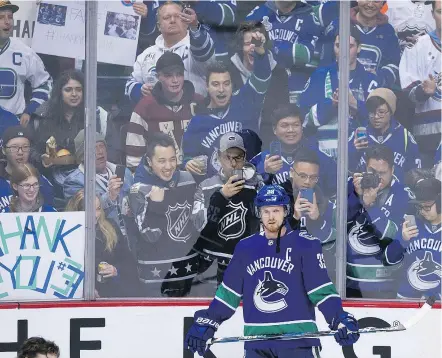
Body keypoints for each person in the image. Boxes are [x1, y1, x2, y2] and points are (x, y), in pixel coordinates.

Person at [185, 184, 360, 357]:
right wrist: (208, 322)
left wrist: (340, 319)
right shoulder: (246, 248)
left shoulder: (306, 245)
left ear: (285, 211)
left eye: (276, 211)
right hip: (257, 344)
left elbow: (322, 291)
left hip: (299, 343)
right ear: (258, 213)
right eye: (266, 211)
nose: (270, 217)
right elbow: (228, 294)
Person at [183, 37, 271, 180]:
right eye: (215, 84)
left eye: (226, 83)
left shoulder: (244, 103)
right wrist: (187, 163)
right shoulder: (197, 122)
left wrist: (261, 54)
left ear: (232, 85)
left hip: (250, 182)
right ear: (207, 86)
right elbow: (188, 156)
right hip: (217, 190)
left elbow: (262, 78)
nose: (221, 90)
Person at [126, 133, 199, 297]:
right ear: (150, 162)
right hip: (155, 279)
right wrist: (156, 205)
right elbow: (149, 235)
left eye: (172, 159)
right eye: (162, 161)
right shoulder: (139, 190)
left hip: (187, 274)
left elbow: (195, 226)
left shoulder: (187, 179)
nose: (168, 166)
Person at [192, 132, 263, 285]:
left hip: (249, 265)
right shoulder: (206, 187)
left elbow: (267, 224)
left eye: (237, 157)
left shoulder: (257, 184)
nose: (232, 163)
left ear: (244, 157)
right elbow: (199, 226)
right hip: (215, 266)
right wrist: (221, 196)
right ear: (218, 156)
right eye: (227, 157)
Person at [300, 27, 379, 160]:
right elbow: (303, 119)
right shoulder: (319, 76)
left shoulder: (370, 80)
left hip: (361, 158)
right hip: (323, 157)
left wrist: (354, 104)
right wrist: (331, 105)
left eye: (349, 46)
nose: (343, 51)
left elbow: (380, 121)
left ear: (359, 48)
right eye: (338, 46)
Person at [347, 144, 411, 298]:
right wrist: (355, 196)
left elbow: (389, 236)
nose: (378, 178)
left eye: (383, 173)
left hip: (386, 283)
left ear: (393, 170)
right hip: (350, 281)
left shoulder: (403, 195)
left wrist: (370, 206)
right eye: (372, 172)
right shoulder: (351, 185)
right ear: (365, 167)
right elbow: (340, 224)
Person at [33, 70, 107, 195]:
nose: (74, 94)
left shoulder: (98, 115)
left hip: (89, 180)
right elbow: (31, 149)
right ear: (59, 93)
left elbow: (109, 148)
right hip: (50, 180)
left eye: (78, 89)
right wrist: (41, 158)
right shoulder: (42, 116)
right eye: (68, 90)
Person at [125, 52, 204, 169]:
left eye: (179, 74)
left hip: (198, 175)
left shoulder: (199, 103)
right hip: (158, 181)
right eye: (168, 76)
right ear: (158, 77)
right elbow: (134, 161)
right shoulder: (144, 108)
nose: (175, 80)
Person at [125, 1, 215, 101]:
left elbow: (203, 52)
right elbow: (129, 85)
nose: (172, 20)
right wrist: (141, 90)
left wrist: (195, 26)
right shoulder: (146, 54)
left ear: (186, 21)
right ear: (159, 26)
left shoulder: (196, 47)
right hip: (157, 114)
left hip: (193, 114)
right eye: (167, 17)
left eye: (177, 16)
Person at [251, 104, 337, 198]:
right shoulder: (261, 159)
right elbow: (249, 196)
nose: (291, 130)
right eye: (285, 125)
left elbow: (335, 193)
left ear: (302, 128)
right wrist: (266, 174)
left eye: (296, 125)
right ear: (274, 129)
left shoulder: (318, 157)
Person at [65, 190, 140, 298]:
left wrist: (116, 270)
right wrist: (82, 288)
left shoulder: (111, 227)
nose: (96, 215)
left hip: (113, 294)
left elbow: (128, 261)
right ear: (78, 211)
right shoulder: (68, 235)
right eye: (90, 211)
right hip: (80, 298)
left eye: (98, 209)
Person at [399, 0, 442, 168]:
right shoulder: (417, 47)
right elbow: (408, 95)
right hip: (428, 137)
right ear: (432, 15)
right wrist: (423, 92)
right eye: (440, 11)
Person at [64, 130, 133, 232]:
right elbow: (83, 214)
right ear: (83, 156)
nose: (100, 151)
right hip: (101, 238)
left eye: (101, 146)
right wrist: (110, 197)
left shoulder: (125, 172)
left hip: (131, 236)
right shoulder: (74, 182)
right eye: (93, 148)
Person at [322, 0, 401, 89]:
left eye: (376, 1)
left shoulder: (388, 32)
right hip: (337, 90)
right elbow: (324, 63)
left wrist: (379, 77)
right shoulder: (338, 24)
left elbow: (394, 65)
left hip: (371, 93)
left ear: (383, 3)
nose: (370, 4)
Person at [384, 178, 441, 299]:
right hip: (406, 301)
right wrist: (402, 240)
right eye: (419, 206)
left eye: (427, 206)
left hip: (437, 306)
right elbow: (388, 260)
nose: (422, 211)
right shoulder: (411, 226)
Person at [348, 88, 421, 183]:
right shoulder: (358, 136)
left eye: (381, 112)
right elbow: (346, 170)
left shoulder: (404, 136)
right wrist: (353, 151)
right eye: (371, 112)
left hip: (397, 192)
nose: (376, 117)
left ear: (391, 112)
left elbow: (415, 171)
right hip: (365, 191)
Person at [0, 1, 52, 127]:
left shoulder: (24, 52)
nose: (8, 22)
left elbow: (44, 84)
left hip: (12, 128)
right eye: (1, 17)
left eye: (10, 17)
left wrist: (30, 110)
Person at [0, 126, 54, 212]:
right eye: (14, 147)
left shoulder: (42, 183)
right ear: (3, 150)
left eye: (25, 147)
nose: (20, 152)